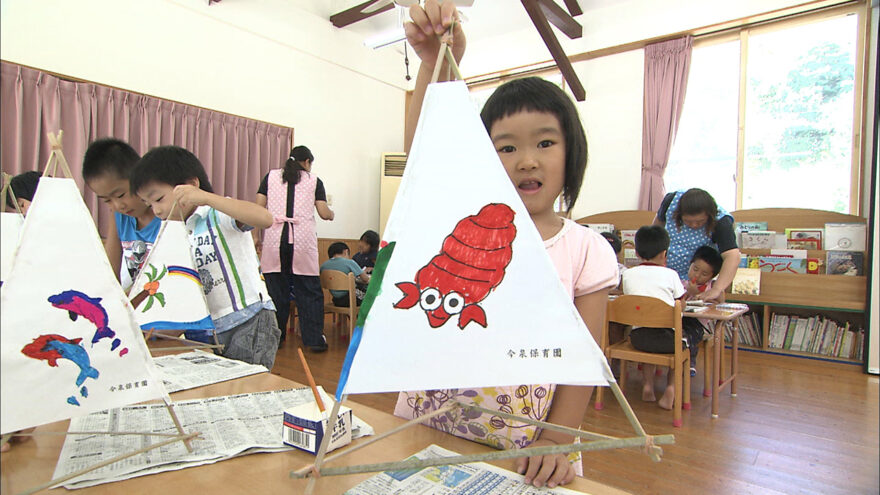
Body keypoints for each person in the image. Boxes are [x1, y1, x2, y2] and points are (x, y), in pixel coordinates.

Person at [394, 2, 619, 488]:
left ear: (571, 152)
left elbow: (586, 356)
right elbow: (425, 153)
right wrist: (436, 63)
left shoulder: (586, 249)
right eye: (506, 146)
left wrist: (558, 442)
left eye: (544, 143)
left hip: (531, 449)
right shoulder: (460, 221)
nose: (526, 161)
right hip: (426, 423)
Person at [130, 146, 281, 369]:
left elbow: (265, 218)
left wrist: (207, 198)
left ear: (191, 185)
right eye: (149, 204)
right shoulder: (174, 233)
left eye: (159, 199)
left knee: (247, 385)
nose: (156, 210)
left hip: (248, 321)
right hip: (207, 328)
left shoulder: (218, 213)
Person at [255, 146, 334, 352]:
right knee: (309, 290)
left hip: (274, 239)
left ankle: (275, 337)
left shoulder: (271, 177)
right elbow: (324, 213)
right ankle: (314, 340)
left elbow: (257, 208)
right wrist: (332, 213)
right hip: (302, 241)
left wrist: (256, 236)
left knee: (275, 290)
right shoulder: (314, 180)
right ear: (307, 162)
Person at [82, 139, 161, 293]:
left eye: (120, 195)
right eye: (107, 200)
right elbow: (110, 273)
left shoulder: (164, 216)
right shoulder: (119, 216)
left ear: (140, 176)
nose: (118, 205)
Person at [621, 225, 686, 410]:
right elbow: (680, 304)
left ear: (636, 252)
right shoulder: (671, 275)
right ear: (664, 253)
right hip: (668, 340)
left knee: (647, 343)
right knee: (682, 344)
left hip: (638, 338)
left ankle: (647, 385)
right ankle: (671, 387)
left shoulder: (627, 274)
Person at [653, 188, 740, 302]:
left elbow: (732, 256)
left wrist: (716, 289)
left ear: (709, 216)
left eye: (700, 222)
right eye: (688, 221)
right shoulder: (670, 202)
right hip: (666, 276)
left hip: (698, 282)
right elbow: (655, 232)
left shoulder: (721, 221)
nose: (694, 225)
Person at [682, 245, 724, 376]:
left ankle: (690, 363)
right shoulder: (681, 283)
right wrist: (689, 292)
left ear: (712, 276)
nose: (697, 275)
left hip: (698, 325)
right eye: (695, 269)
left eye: (704, 274)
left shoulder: (711, 287)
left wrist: (702, 293)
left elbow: (720, 302)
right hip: (680, 320)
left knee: (689, 335)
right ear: (690, 265)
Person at [320, 242, 370, 307]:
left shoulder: (323, 266)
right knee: (371, 298)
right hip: (352, 300)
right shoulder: (349, 262)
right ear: (346, 252)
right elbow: (366, 279)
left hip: (336, 301)